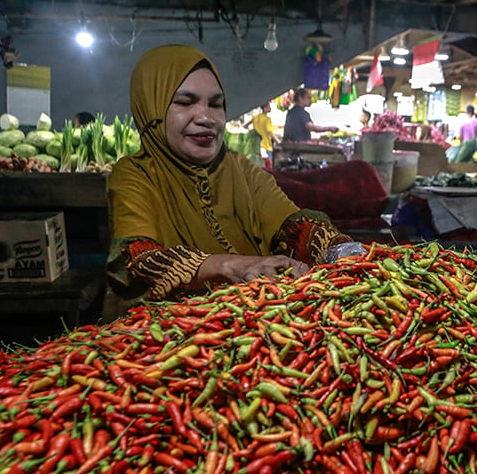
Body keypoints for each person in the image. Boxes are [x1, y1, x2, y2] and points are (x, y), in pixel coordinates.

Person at [106, 45, 363, 301]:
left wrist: (341, 251)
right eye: (185, 103)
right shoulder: (134, 175)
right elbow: (135, 261)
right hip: (171, 330)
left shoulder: (242, 170)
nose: (206, 117)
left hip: (256, 323)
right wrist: (230, 266)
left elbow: (293, 226)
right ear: (151, 110)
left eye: (216, 104)